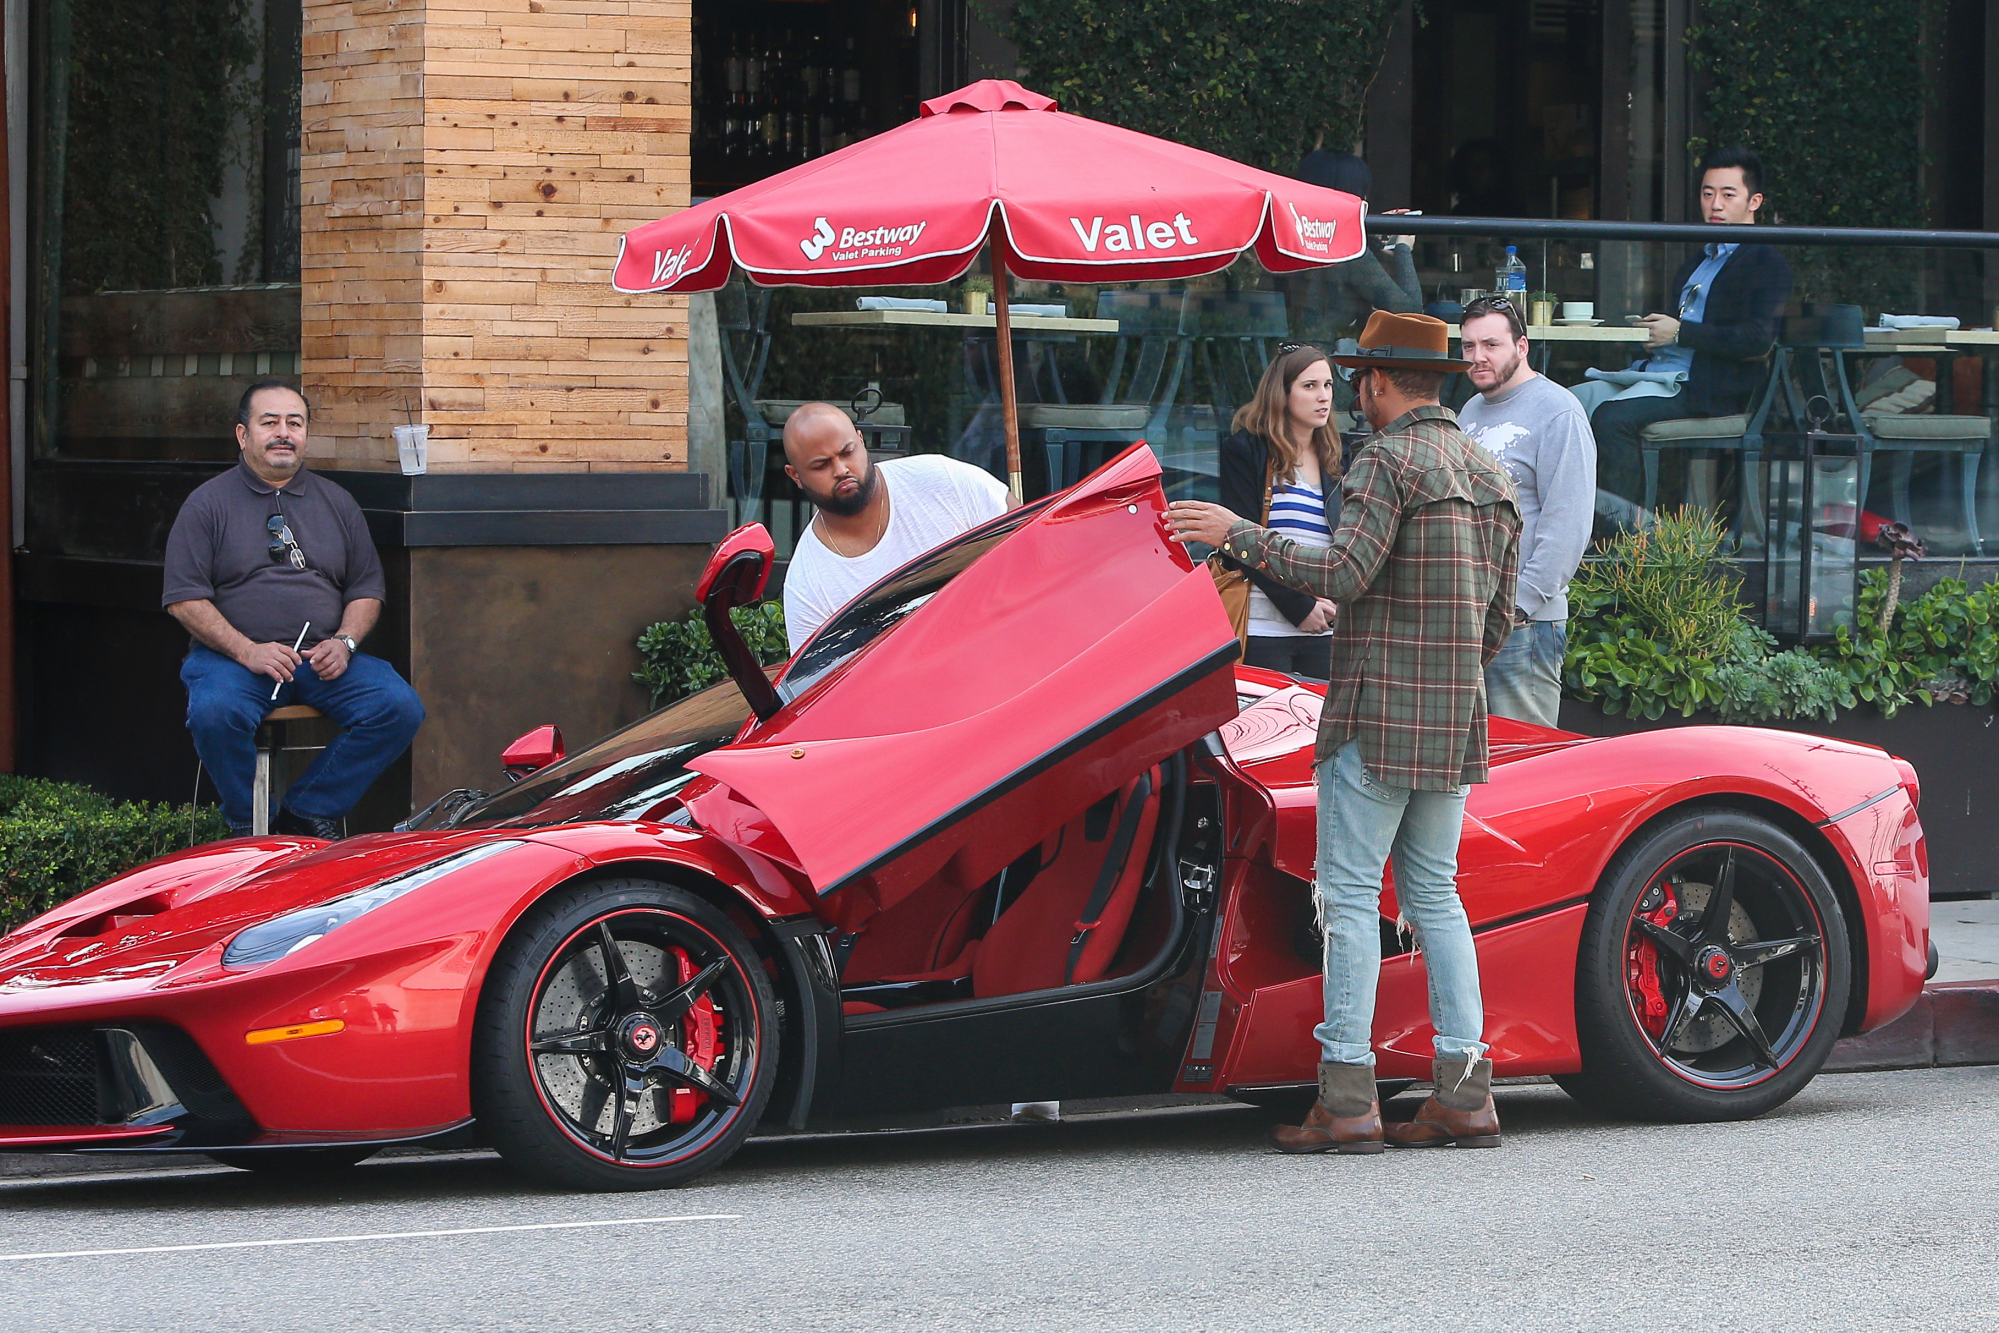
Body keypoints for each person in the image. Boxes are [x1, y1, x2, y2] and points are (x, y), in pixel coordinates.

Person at [1166, 311, 1520, 1154]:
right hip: (1452, 716)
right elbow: (1499, 619)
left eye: (1359, 377)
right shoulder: (1486, 469)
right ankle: (1465, 1091)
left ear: (1380, 382)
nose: (1354, 391)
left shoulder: (1385, 461)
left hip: (1371, 714)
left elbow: (1344, 573)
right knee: (1437, 896)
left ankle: (1348, 1096)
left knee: (1351, 899)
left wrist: (1237, 536)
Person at [163, 382, 424, 838]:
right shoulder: (207, 504)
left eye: (294, 423)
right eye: (270, 422)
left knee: (397, 706)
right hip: (234, 661)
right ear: (243, 435)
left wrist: (343, 644)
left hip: (319, 660)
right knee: (214, 712)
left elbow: (366, 590)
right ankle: (249, 823)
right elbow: (184, 599)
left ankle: (304, 814)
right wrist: (248, 651)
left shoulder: (336, 502)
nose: (283, 433)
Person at [1584, 145, 1794, 507]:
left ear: (1754, 201)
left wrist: (1680, 332)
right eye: (1707, 193)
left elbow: (1758, 340)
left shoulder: (1765, 261)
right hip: (1659, 375)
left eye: (1729, 195)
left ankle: (1621, 541)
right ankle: (1571, 528)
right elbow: (1680, 324)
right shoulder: (1701, 258)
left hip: (1706, 389)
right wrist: (1656, 334)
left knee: (1611, 418)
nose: (1715, 205)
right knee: (1569, 403)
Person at [1456, 296, 1596, 728]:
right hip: (1467, 618)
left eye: (1491, 345)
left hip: (1524, 625)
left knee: (1524, 765)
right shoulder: (1469, 411)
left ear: (1522, 347)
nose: (1478, 357)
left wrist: (1518, 607)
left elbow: (1568, 525)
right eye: (1467, 346)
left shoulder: (1559, 411)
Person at [780, 402, 1013, 654]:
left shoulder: (943, 480)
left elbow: (1032, 544)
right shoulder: (806, 585)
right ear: (795, 476)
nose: (841, 470)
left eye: (847, 452)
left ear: (861, 441)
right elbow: (824, 688)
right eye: (821, 465)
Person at [1218, 344, 1343, 678]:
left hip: (1326, 628)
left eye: (1328, 385)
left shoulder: (1339, 460)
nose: (1323, 396)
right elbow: (1239, 539)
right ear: (1282, 393)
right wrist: (1300, 606)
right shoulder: (1246, 450)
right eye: (1309, 386)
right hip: (1263, 627)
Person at [1288, 150, 1422, 349]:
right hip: (1326, 367)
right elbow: (1410, 313)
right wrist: (1403, 247)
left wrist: (1366, 235)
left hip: (1292, 358)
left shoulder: (1295, 235)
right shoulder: (1346, 251)